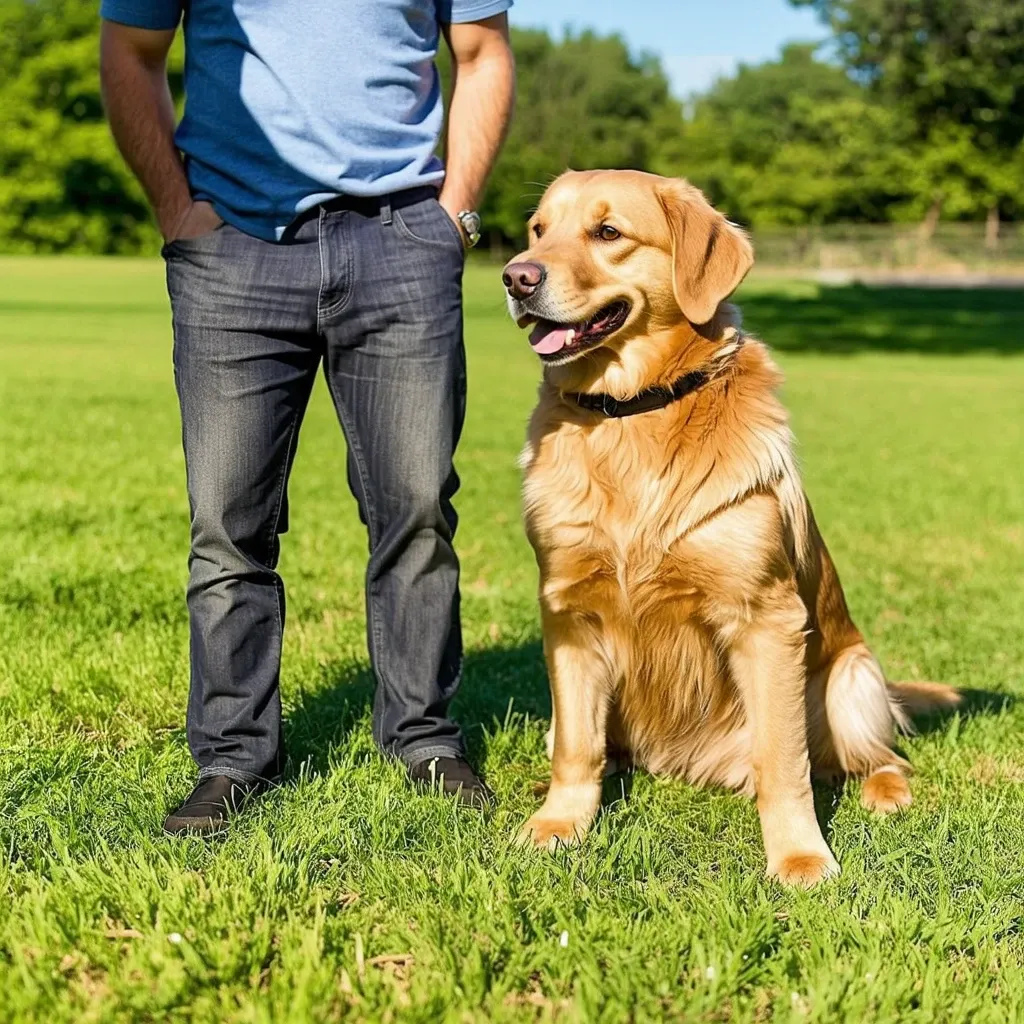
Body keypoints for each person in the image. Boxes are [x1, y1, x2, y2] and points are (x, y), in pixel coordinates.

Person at [99, 0, 515, 833]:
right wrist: (177, 216)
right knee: (228, 524)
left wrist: (455, 216)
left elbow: (483, 52)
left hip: (402, 239)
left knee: (417, 509)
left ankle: (424, 739)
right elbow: (130, 51)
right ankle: (234, 756)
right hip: (234, 249)